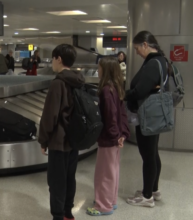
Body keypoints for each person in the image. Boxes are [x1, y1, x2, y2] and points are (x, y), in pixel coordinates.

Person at [38, 44, 85, 220]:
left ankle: (58, 215)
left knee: (57, 180)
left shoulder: (58, 83)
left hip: (59, 141)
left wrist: (43, 140)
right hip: (74, 138)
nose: (52, 63)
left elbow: (50, 116)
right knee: (69, 177)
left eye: (53, 58)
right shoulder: (78, 81)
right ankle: (68, 212)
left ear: (59, 59)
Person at [125, 30, 170, 207]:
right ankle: (154, 189)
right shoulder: (161, 61)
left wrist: (124, 95)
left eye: (137, 48)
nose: (136, 52)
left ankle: (146, 196)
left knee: (148, 156)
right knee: (153, 153)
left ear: (145, 44)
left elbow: (140, 90)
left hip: (148, 115)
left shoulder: (153, 63)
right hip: (156, 114)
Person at [86, 57, 130, 216]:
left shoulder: (105, 90)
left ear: (106, 71)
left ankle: (103, 206)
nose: (98, 71)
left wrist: (113, 136)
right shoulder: (116, 88)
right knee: (113, 171)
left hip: (109, 138)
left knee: (103, 173)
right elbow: (121, 114)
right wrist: (122, 134)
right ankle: (111, 200)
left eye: (99, 68)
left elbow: (110, 117)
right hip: (116, 137)